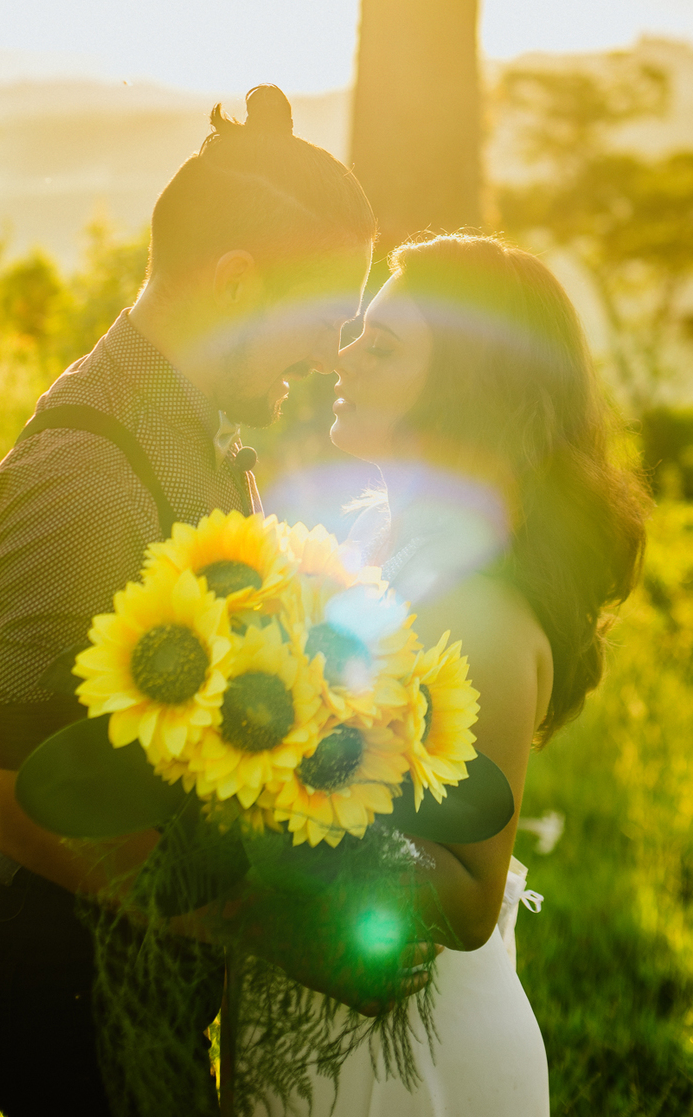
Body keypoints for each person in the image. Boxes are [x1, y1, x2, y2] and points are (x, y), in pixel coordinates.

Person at [0, 84, 376, 1117]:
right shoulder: (81, 479)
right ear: (235, 284)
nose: (326, 358)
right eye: (320, 319)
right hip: (59, 987)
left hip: (148, 970)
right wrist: (265, 926)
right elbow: (32, 801)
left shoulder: (196, 431)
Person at [258, 231, 649, 1115]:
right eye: (359, 332)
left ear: (470, 387)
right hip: (319, 1012)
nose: (342, 356)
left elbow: (470, 898)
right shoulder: (366, 536)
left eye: (383, 347)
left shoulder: (482, 606)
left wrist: (260, 808)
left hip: (408, 1063)